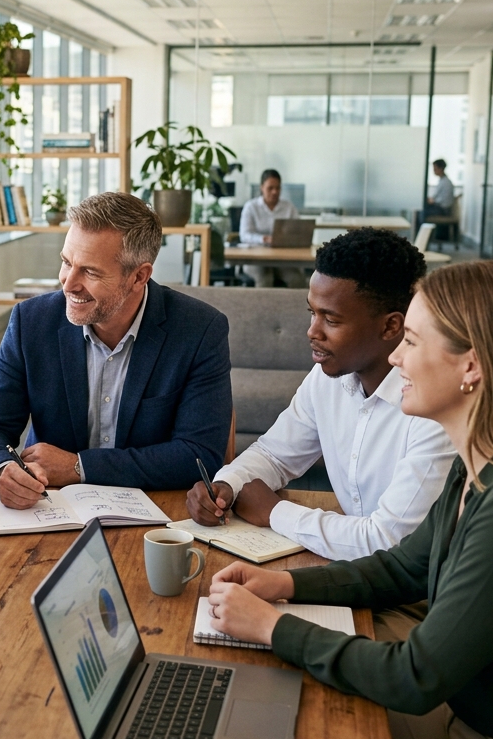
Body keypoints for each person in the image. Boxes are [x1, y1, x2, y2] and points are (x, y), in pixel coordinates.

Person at [205, 260, 493, 739]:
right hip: (471, 728)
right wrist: (285, 587)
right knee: (291, 732)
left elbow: (416, 676)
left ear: (473, 365)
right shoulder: (480, 467)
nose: (396, 359)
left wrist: (273, 627)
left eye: (411, 341)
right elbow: (402, 566)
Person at [187, 228, 455, 561]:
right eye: (312, 313)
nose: (312, 331)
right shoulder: (328, 377)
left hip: (416, 595)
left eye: (331, 319)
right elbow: (274, 454)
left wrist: (274, 511)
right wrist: (227, 486)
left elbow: (388, 540)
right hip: (356, 571)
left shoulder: (433, 408)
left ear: (390, 327)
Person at [0, 191, 232, 508]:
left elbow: (198, 454)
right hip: (51, 507)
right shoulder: (31, 322)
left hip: (156, 511)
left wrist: (80, 467)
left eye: (89, 271)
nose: (68, 283)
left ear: (139, 276)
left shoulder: (199, 330)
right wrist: (2, 471)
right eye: (67, 262)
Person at [238, 168, 305, 288]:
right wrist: (264, 239)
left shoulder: (289, 207)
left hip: (283, 260)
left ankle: (294, 307)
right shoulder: (251, 207)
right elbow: (244, 235)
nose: (274, 192)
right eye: (270, 188)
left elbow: (299, 232)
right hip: (256, 260)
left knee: (297, 279)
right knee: (265, 280)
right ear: (261, 187)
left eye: (278, 188)